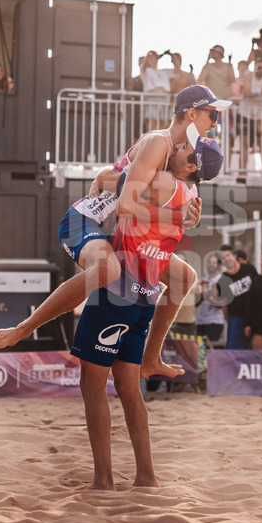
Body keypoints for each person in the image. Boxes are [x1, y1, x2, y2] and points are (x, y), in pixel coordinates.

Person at [0, 85, 229, 376]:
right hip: (88, 219)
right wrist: (176, 215)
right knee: (108, 269)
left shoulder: (178, 161)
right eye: (212, 114)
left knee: (184, 277)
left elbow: (116, 180)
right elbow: (116, 191)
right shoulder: (160, 144)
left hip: (119, 231)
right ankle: (25, 328)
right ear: (191, 114)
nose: (214, 123)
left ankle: (151, 359)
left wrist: (186, 216)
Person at [70, 146, 214, 491]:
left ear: (190, 166)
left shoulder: (162, 180)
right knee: (129, 388)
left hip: (119, 287)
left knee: (92, 384)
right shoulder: (189, 196)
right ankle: (146, 476)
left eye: (185, 150)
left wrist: (106, 177)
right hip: (146, 293)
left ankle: (103, 480)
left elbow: (110, 183)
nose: (177, 148)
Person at [217, 245, 258, 349]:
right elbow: (224, 305)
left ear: (234, 256)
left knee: (255, 349)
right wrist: (228, 320)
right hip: (236, 318)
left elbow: (259, 288)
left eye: (228, 255)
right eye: (223, 258)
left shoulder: (249, 268)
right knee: (234, 350)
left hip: (254, 315)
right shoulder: (223, 281)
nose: (227, 259)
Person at [195, 253, 226, 344]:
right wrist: (200, 295)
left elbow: (223, 304)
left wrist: (210, 295)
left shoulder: (222, 281)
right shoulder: (203, 280)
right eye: (209, 262)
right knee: (200, 349)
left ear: (219, 265)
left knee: (210, 349)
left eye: (214, 262)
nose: (211, 265)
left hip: (215, 321)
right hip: (201, 321)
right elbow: (196, 304)